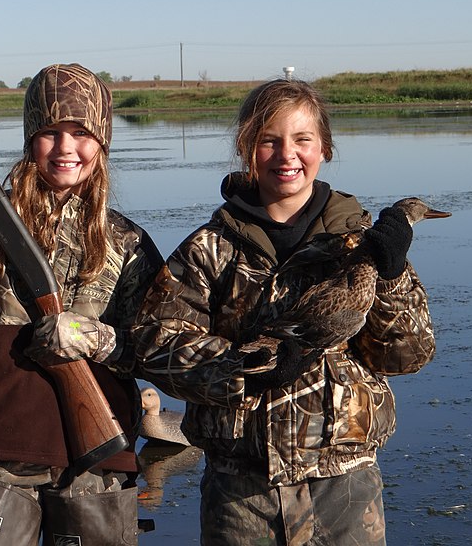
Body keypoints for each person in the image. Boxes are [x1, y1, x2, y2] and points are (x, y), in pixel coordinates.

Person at [133, 78, 436, 545]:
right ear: (246, 150)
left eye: (302, 140)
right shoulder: (209, 249)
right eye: (268, 141)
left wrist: (392, 273)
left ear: (325, 148)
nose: (286, 154)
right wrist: (246, 369)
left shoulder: (363, 246)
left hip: (345, 485)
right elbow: (155, 346)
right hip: (240, 489)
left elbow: (407, 357)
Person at [0, 63, 163, 545]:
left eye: (82, 133)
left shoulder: (127, 242)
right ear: (30, 140)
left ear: (102, 143)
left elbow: (155, 350)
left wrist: (95, 337)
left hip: (95, 454)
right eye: (50, 132)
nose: (66, 148)